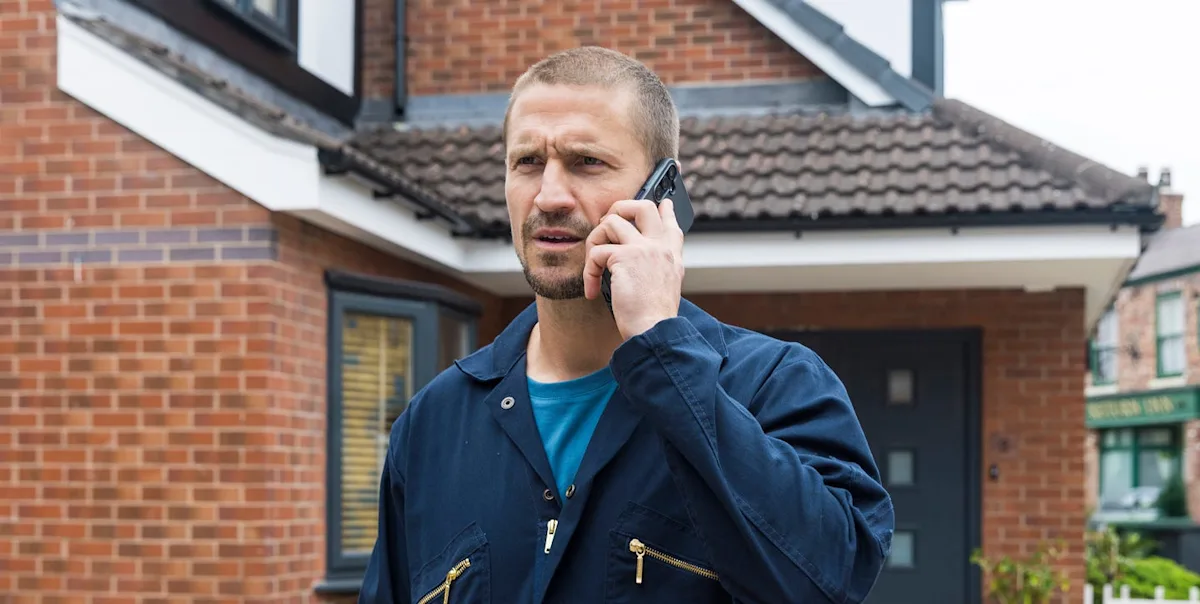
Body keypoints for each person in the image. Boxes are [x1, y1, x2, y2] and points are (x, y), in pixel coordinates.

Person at [358, 46, 893, 604]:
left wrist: (661, 347)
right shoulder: (431, 424)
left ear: (662, 193)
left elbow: (827, 581)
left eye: (587, 162)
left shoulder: (775, 387)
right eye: (528, 163)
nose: (549, 196)